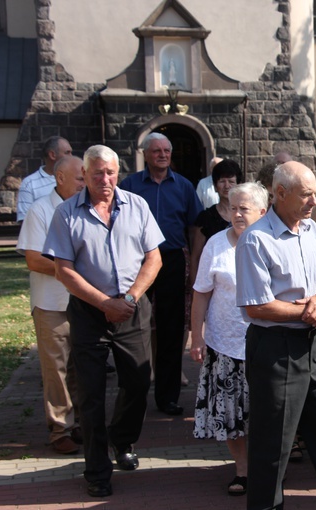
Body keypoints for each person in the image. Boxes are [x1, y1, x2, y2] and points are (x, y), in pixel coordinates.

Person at [236, 161, 316, 509]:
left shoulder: (311, 231)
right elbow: (257, 306)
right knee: (273, 447)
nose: (315, 201)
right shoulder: (256, 239)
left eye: (315, 192)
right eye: (306, 194)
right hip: (275, 350)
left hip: (312, 346)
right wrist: (307, 311)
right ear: (280, 194)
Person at [42, 145, 163, 498]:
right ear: (85, 175)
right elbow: (63, 270)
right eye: (97, 173)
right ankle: (96, 470)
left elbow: (154, 258)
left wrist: (128, 299)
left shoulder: (136, 206)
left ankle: (122, 439)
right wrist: (103, 302)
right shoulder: (66, 213)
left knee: (139, 382)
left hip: (131, 309)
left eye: (111, 172)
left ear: (118, 172)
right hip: (89, 314)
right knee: (91, 395)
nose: (105, 179)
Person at [190, 182, 268, 497]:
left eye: (243, 209)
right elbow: (200, 294)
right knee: (232, 412)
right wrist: (197, 336)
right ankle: (243, 470)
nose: (236, 214)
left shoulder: (273, 243)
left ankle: (268, 467)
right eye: (233, 208)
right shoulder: (215, 245)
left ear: (262, 212)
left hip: (266, 343)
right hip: (225, 344)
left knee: (266, 411)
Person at [120, 132, 203, 416]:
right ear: (145, 154)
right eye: (157, 151)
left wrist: (193, 263)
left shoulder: (183, 187)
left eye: (167, 150)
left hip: (170, 261)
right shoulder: (129, 186)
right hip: (136, 263)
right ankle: (134, 393)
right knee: (134, 326)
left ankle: (168, 396)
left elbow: (194, 228)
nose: (163, 155)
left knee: (170, 329)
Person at [16, 155, 86, 455]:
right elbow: (33, 259)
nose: (85, 183)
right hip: (51, 305)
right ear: (60, 178)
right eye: (80, 178)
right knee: (55, 371)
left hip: (82, 303)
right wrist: (73, 272)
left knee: (80, 368)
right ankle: (60, 430)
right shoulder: (40, 210)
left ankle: (80, 422)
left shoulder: (85, 208)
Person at [189, 159, 243, 285]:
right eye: (222, 181)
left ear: (239, 184)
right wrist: (195, 289)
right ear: (215, 185)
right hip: (213, 280)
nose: (227, 186)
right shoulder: (205, 217)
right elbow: (196, 257)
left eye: (231, 181)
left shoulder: (247, 215)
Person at [16, 136, 73, 221]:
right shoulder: (29, 184)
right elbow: (25, 222)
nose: (71, 157)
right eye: (67, 153)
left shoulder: (76, 179)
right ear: (52, 155)